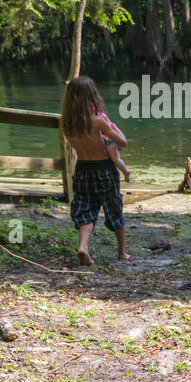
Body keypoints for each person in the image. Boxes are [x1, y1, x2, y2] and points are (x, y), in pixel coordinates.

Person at [60, 77, 129, 265]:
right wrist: (114, 127)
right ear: (92, 96)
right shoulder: (98, 121)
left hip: (82, 169)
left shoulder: (66, 123)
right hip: (104, 169)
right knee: (113, 208)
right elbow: (122, 142)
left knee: (86, 209)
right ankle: (122, 252)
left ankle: (83, 246)